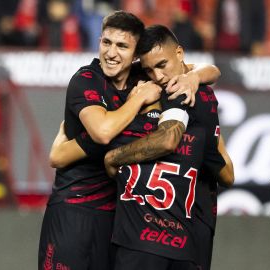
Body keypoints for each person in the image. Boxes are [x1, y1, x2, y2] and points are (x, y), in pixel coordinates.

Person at [39, 11, 222, 270]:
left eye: (122, 46)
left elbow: (209, 70)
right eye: (106, 43)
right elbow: (101, 133)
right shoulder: (86, 80)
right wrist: (137, 100)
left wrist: (192, 78)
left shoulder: (145, 74)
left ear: (136, 54)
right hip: (76, 208)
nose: (111, 53)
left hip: (117, 216)